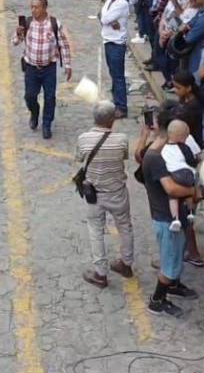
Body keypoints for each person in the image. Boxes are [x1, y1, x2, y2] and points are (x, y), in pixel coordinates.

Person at [138, 109, 198, 317]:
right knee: (170, 260)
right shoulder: (155, 157)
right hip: (165, 217)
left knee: (177, 254)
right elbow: (171, 189)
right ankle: (157, 300)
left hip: (174, 216)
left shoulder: (161, 151)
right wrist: (194, 191)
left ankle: (173, 284)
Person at [77, 100, 134, 288]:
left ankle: (100, 273)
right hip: (117, 191)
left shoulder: (83, 139)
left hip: (94, 193)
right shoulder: (122, 139)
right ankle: (126, 264)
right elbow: (124, 157)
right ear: (112, 119)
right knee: (125, 226)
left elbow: (79, 158)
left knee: (95, 231)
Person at [13, 0, 72, 140]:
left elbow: (63, 44)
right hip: (31, 67)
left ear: (44, 8)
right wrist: (18, 34)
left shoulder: (54, 24)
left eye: (36, 7)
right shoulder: (27, 23)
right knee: (30, 96)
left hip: (49, 68)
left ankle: (46, 124)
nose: (33, 10)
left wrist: (67, 64)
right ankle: (34, 112)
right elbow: (15, 42)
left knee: (50, 97)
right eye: (32, 7)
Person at [99, 0, 129, 117]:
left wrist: (107, 20)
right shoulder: (110, 0)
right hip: (108, 40)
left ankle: (121, 107)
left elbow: (104, 18)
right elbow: (101, 15)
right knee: (113, 73)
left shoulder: (121, 3)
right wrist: (108, 20)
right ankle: (116, 100)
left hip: (116, 43)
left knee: (118, 76)